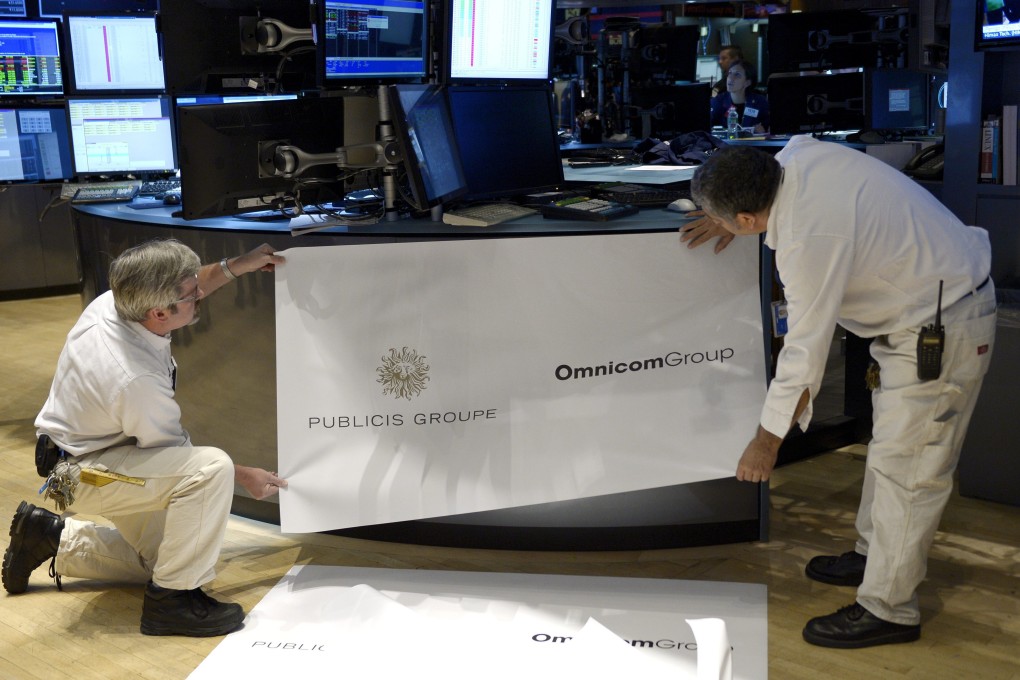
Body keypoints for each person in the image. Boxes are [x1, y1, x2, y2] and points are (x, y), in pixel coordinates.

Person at [680, 138, 997, 648]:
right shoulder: (797, 157)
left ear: (746, 218)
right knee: (892, 454)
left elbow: (804, 355)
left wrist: (766, 442)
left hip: (945, 323)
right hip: (924, 307)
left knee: (909, 470)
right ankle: (876, 556)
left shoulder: (808, 240)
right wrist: (730, 217)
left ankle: (890, 608)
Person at [2, 238, 289, 638]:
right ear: (158, 312)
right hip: (86, 473)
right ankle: (172, 603)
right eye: (192, 297)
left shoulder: (115, 300)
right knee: (211, 470)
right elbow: (176, 456)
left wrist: (238, 265)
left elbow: (191, 281)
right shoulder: (133, 377)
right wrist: (244, 475)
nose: (201, 294)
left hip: (94, 451)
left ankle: (50, 536)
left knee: (172, 557)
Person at [710, 60, 770, 133]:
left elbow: (769, 126)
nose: (730, 78)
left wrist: (764, 131)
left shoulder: (760, 102)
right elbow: (708, 127)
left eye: (737, 75)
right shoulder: (718, 101)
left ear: (747, 83)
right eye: (730, 73)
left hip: (752, 143)